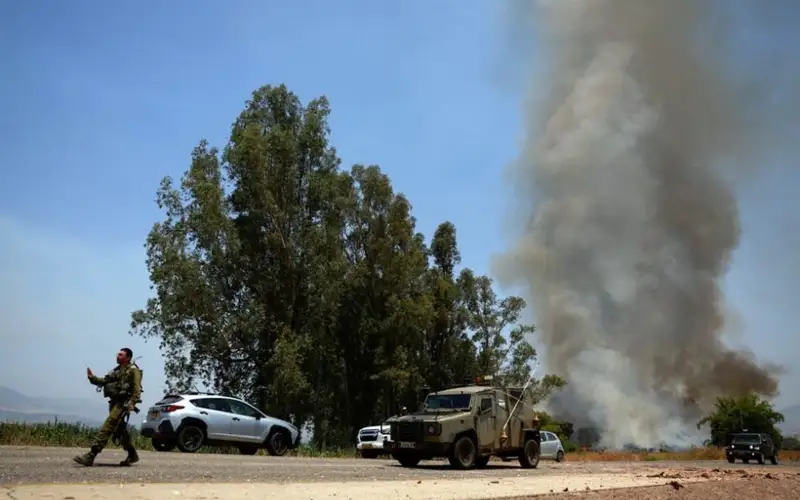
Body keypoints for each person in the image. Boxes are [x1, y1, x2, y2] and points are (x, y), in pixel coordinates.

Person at [73, 348, 142, 467]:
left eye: (121, 355)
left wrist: (132, 403)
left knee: (108, 426)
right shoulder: (117, 370)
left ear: (128, 357)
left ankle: (91, 455)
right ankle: (132, 454)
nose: (117, 356)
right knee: (120, 431)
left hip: (123, 404)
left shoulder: (133, 371)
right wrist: (92, 378)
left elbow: (137, 389)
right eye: (118, 354)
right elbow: (105, 380)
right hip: (114, 403)